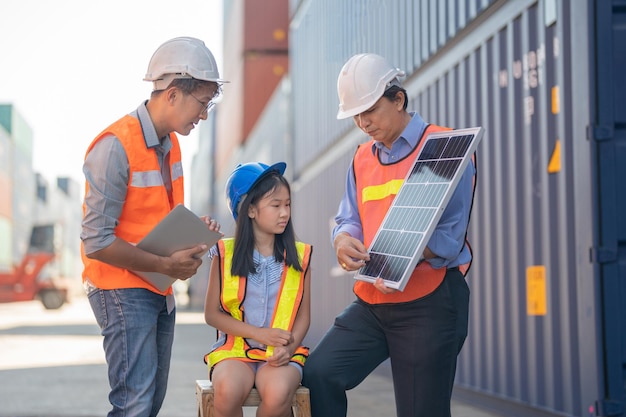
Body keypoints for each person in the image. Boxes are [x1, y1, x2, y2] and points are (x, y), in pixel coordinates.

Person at [302, 53, 477, 417]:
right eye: (356, 115)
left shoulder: (442, 147)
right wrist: (342, 239)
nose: (363, 123)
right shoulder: (362, 157)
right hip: (373, 303)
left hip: (428, 303)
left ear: (398, 99)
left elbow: (449, 237)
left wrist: (397, 255)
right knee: (318, 374)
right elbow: (348, 217)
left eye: (370, 111)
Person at [80, 37, 226, 417]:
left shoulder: (171, 146)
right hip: (121, 289)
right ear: (174, 93)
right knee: (134, 405)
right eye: (203, 103)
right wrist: (164, 266)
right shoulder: (114, 146)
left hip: (157, 289)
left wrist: (192, 234)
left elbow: (156, 219)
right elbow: (96, 242)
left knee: (147, 403)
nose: (205, 114)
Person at [204, 162, 312, 417]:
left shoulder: (300, 256)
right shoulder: (224, 254)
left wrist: (289, 347)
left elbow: (304, 316)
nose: (284, 212)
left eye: (287, 204)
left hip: (282, 353)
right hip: (235, 351)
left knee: (277, 395)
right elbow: (212, 315)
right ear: (250, 209)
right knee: (227, 392)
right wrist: (260, 334)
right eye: (276, 205)